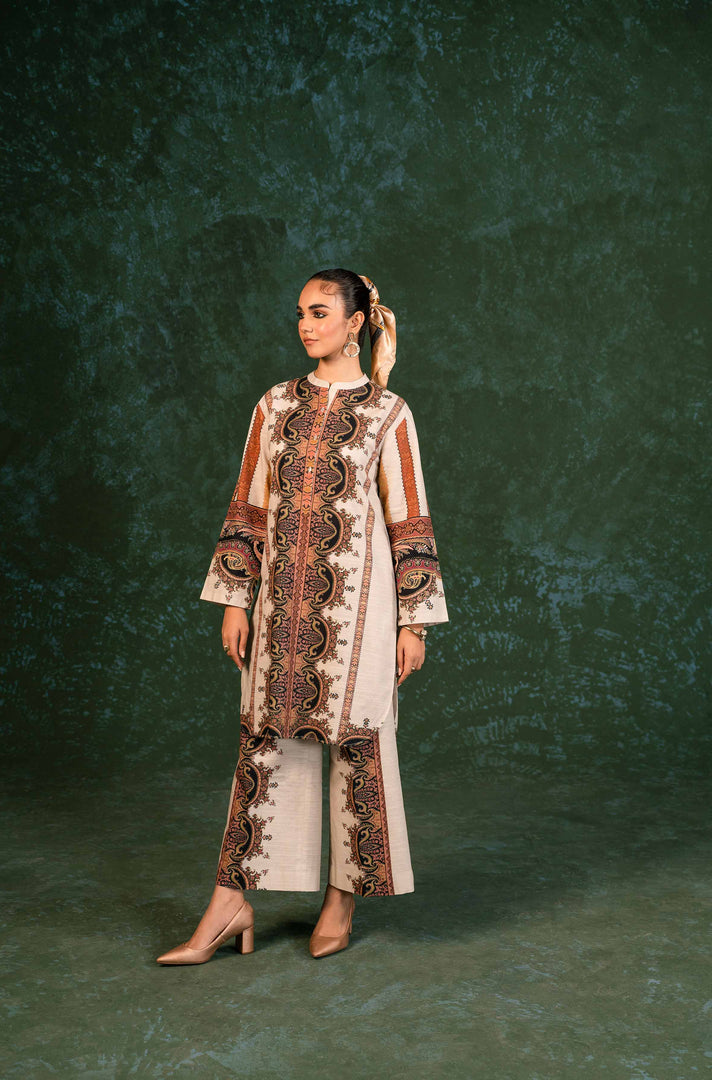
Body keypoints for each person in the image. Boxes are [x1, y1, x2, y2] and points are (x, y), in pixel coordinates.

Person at [156, 268, 449, 964]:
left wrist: (414, 622)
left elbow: (409, 518)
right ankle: (230, 904)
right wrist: (235, 599)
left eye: (319, 313)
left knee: (356, 742)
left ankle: (341, 900)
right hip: (279, 609)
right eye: (299, 314)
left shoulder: (389, 413)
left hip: (361, 612)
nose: (306, 325)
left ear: (356, 322)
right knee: (264, 741)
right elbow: (249, 505)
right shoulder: (275, 404)